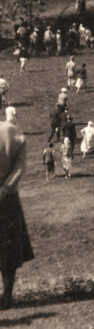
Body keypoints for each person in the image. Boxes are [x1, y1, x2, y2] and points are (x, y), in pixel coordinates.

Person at [0, 115, 33, 309]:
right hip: (8, 198)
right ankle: (7, 296)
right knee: (8, 249)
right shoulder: (13, 132)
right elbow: (19, 168)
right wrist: (4, 190)